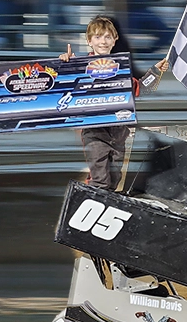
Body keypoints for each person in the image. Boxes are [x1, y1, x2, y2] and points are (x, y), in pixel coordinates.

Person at [59, 16, 169, 191]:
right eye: (98, 37)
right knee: (100, 180)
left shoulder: (121, 68)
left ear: (114, 40)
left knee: (114, 180)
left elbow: (140, 89)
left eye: (107, 37)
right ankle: (86, 206)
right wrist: (66, 64)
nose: (103, 41)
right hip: (95, 132)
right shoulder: (78, 66)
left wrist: (155, 72)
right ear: (89, 41)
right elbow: (61, 86)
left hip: (119, 132)